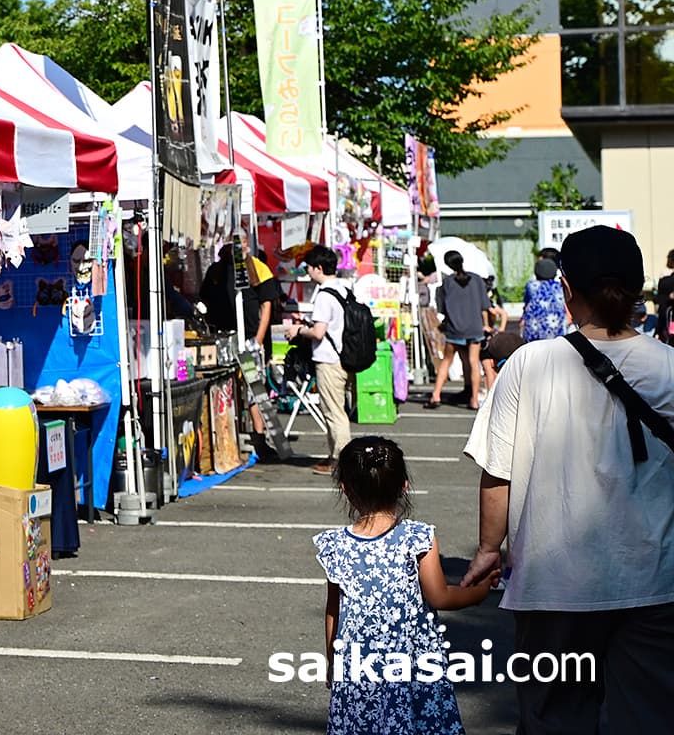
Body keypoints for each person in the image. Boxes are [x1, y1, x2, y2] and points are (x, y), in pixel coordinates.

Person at [462, 225, 674, 732]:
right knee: (648, 718)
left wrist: (490, 548)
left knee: (553, 718)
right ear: (639, 291)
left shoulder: (530, 364)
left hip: (553, 585)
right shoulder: (669, 366)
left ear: (567, 289)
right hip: (655, 580)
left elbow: (499, 472)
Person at [315, 437, 496, 734]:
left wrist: (333, 661)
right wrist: (479, 592)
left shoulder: (335, 546)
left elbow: (334, 610)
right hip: (412, 663)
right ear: (404, 486)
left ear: (345, 489)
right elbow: (440, 597)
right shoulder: (418, 538)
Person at [289, 245, 350, 473]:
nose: (308, 272)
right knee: (335, 409)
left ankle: (341, 461)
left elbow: (318, 332)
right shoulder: (342, 289)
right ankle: (334, 455)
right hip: (343, 357)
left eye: (309, 267)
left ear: (319, 268)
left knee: (334, 413)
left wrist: (299, 331)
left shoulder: (325, 294)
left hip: (329, 359)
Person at [427, 251, 489, 410]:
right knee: (474, 362)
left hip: (455, 329)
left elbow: (442, 309)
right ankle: (474, 400)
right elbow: (485, 306)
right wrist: (485, 324)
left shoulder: (446, 283)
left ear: (448, 265)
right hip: (475, 327)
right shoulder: (476, 280)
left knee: (446, 361)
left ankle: (436, 395)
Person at [521, 254, 567, 342]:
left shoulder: (531, 286)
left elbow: (526, 304)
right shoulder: (560, 286)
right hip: (558, 332)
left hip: (535, 333)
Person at [657, 249, 674, 345]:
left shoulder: (664, 279)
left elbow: (659, 299)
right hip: (668, 317)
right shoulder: (666, 278)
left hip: (666, 318)